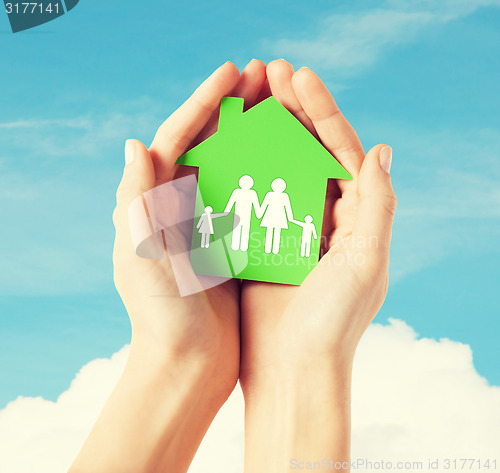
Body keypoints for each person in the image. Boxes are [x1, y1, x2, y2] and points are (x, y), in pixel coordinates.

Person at [69, 59, 396, 473]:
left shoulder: (270, 195)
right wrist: (177, 352)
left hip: (274, 231)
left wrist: (298, 366)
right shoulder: (246, 195)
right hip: (234, 229)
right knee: (241, 239)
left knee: (265, 241)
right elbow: (249, 205)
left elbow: (266, 205)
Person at [224, 174, 261, 251]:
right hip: (239, 215)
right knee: (240, 230)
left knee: (243, 230)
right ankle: (237, 246)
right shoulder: (238, 192)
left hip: (246, 215)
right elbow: (231, 202)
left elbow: (256, 204)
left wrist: (258, 214)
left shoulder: (252, 193)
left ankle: (241, 246)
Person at [258, 177, 294, 254]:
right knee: (270, 232)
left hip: (279, 217)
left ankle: (275, 250)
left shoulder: (284, 196)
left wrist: (290, 218)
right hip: (270, 215)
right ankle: (268, 249)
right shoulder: (269, 194)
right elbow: (264, 205)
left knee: (276, 233)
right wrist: (260, 213)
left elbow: (287, 207)